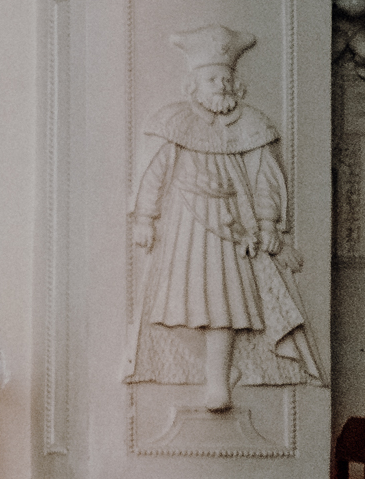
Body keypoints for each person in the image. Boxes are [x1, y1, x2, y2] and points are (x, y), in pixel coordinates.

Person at [128, 26, 320, 412]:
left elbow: (266, 180)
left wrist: (267, 226)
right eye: (213, 78)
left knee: (226, 303)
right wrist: (146, 218)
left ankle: (219, 382)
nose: (222, 85)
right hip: (185, 226)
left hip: (232, 226)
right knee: (181, 301)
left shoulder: (252, 125)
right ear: (192, 85)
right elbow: (155, 173)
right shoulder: (173, 122)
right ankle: (192, 370)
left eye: (227, 78)